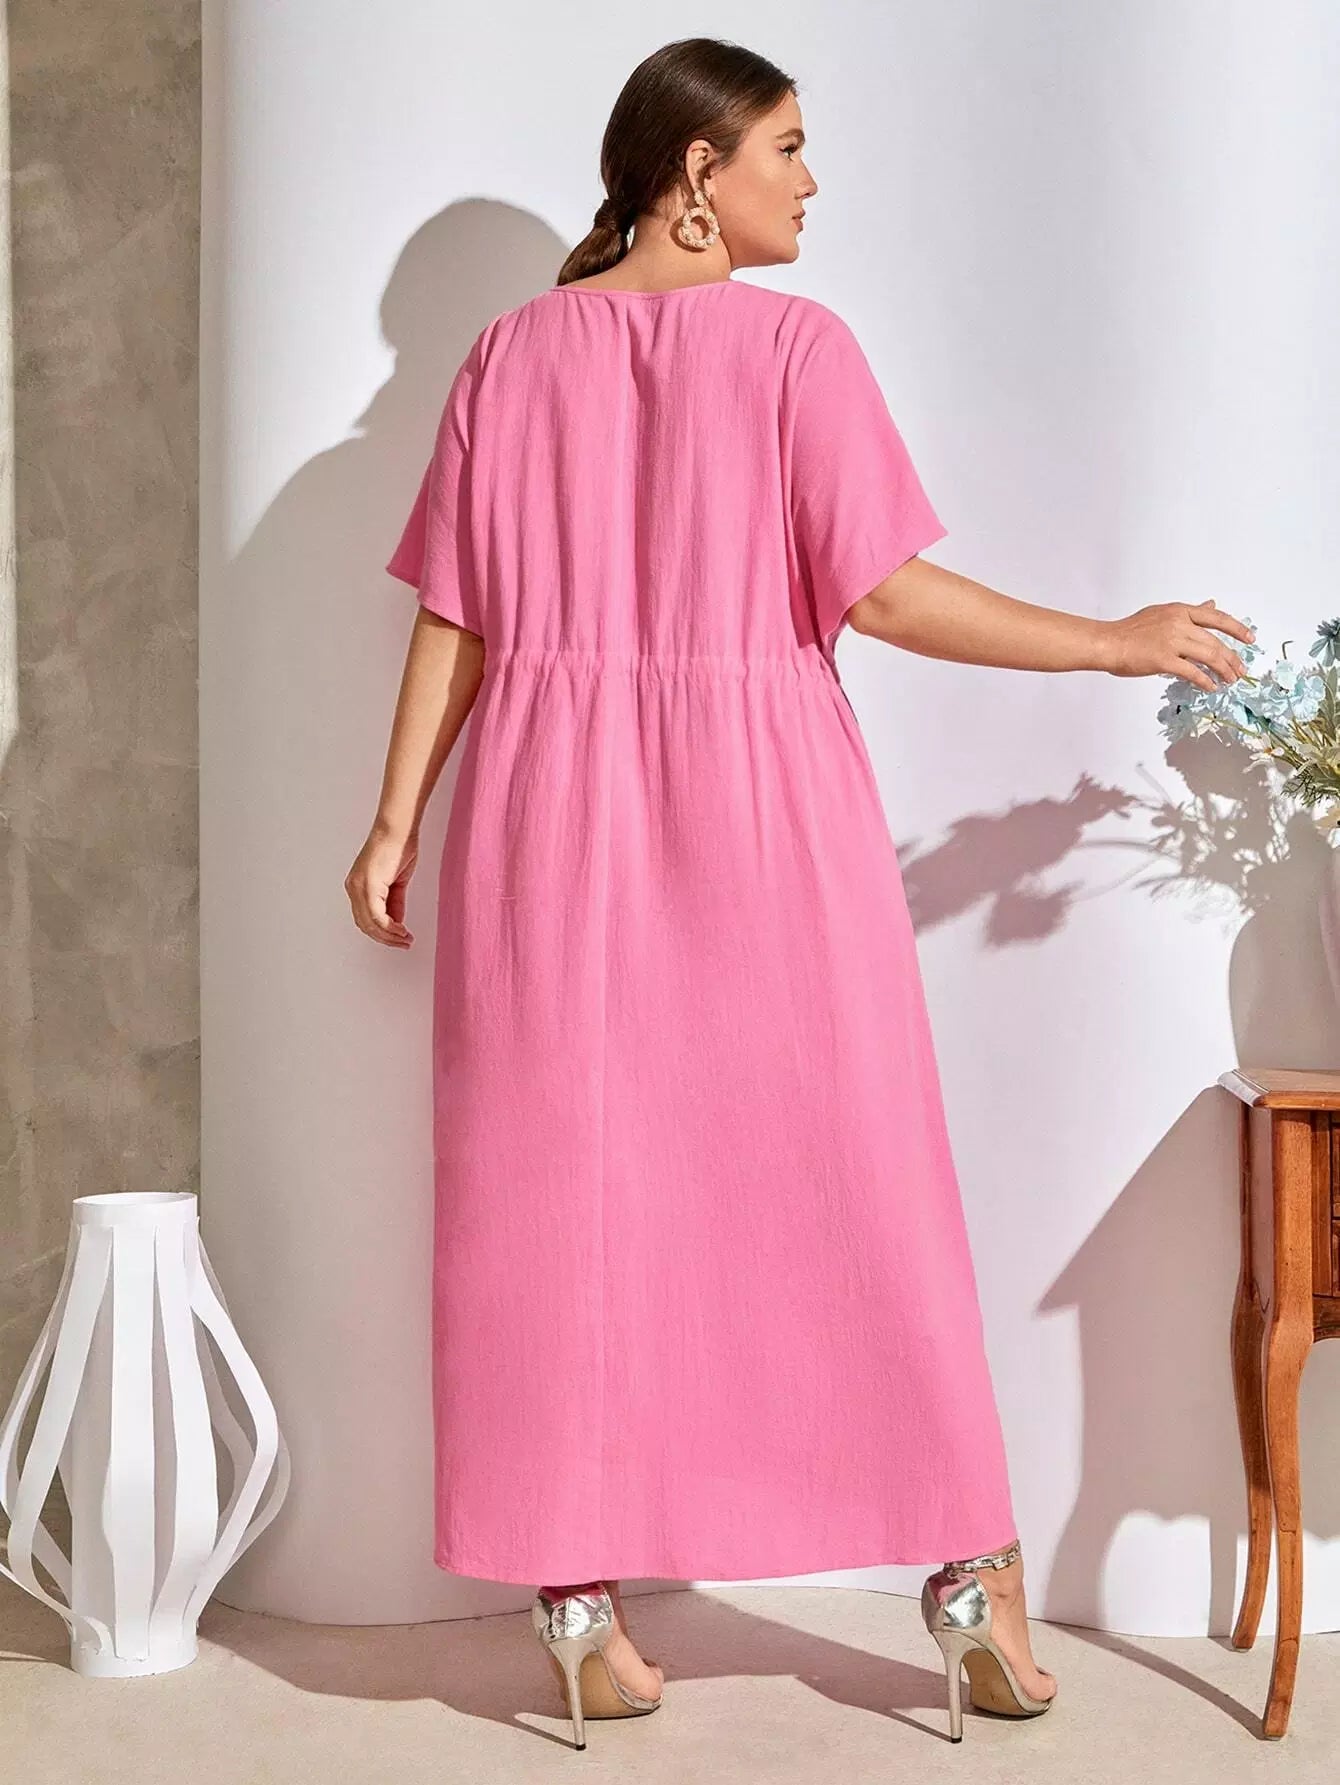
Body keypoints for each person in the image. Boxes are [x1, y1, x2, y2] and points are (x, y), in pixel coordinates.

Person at [346, 37, 1254, 1750]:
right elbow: (888, 596)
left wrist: (396, 820)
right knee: (857, 1180)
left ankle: (574, 1601)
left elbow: (457, 615)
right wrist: (1111, 640)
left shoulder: (510, 356)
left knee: (556, 1199)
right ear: (697, 172)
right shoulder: (793, 349)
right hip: (764, 803)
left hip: (541, 813)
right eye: (787, 147)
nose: (812, 181)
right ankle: (971, 1575)